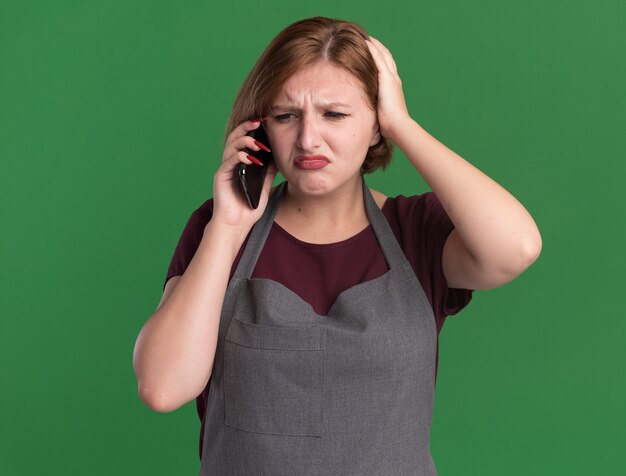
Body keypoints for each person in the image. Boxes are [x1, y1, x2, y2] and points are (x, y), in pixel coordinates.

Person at [133, 16, 541, 475]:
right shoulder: (217, 229)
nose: (309, 139)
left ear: (375, 127)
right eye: (286, 116)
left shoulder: (417, 231)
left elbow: (518, 247)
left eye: (335, 114)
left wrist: (403, 124)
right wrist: (228, 225)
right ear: (261, 131)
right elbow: (162, 387)